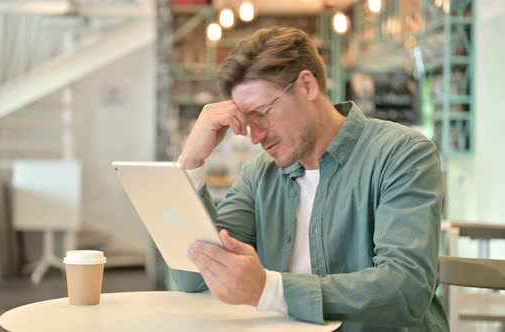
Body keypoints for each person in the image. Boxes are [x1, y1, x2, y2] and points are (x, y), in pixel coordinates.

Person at [171, 27, 449, 331]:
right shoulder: (260, 175)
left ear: (306, 86)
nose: (255, 137)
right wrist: (191, 163)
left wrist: (270, 290)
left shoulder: (402, 155)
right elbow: (196, 278)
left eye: (262, 113)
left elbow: (405, 290)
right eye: (247, 123)